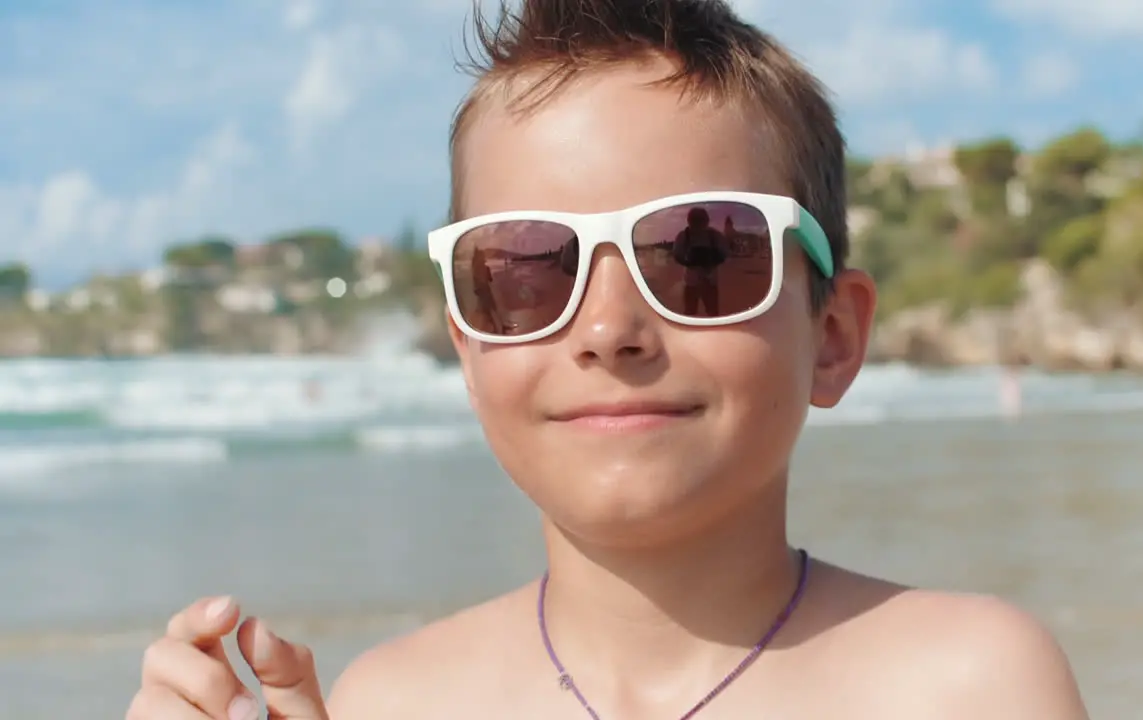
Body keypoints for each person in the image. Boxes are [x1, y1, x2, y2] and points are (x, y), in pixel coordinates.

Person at [126, 1, 1090, 718]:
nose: (608, 328)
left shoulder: (968, 683)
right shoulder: (394, 701)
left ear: (833, 335)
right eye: (527, 270)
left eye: (702, 252)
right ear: (469, 345)